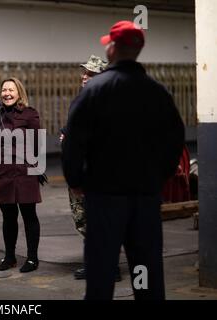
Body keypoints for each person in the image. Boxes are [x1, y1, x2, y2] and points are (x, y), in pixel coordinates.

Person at [61, 21, 185, 300]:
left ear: (111, 48)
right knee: (146, 270)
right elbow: (174, 140)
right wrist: (159, 177)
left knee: (101, 271)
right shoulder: (157, 92)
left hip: (104, 196)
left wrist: (76, 180)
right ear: (139, 49)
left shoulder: (93, 92)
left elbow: (73, 143)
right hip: (145, 197)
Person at [60, 55, 123, 281]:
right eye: (84, 73)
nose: (84, 77)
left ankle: (111, 268)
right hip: (81, 173)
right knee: (85, 222)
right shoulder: (83, 101)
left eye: (91, 74)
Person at [0, 77, 42, 273]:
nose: (7, 93)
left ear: (19, 93)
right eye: (4, 90)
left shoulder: (30, 114)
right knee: (8, 217)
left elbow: (37, 144)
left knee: (29, 216)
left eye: (11, 90)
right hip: (3, 173)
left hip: (25, 173)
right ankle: (10, 257)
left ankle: (32, 258)